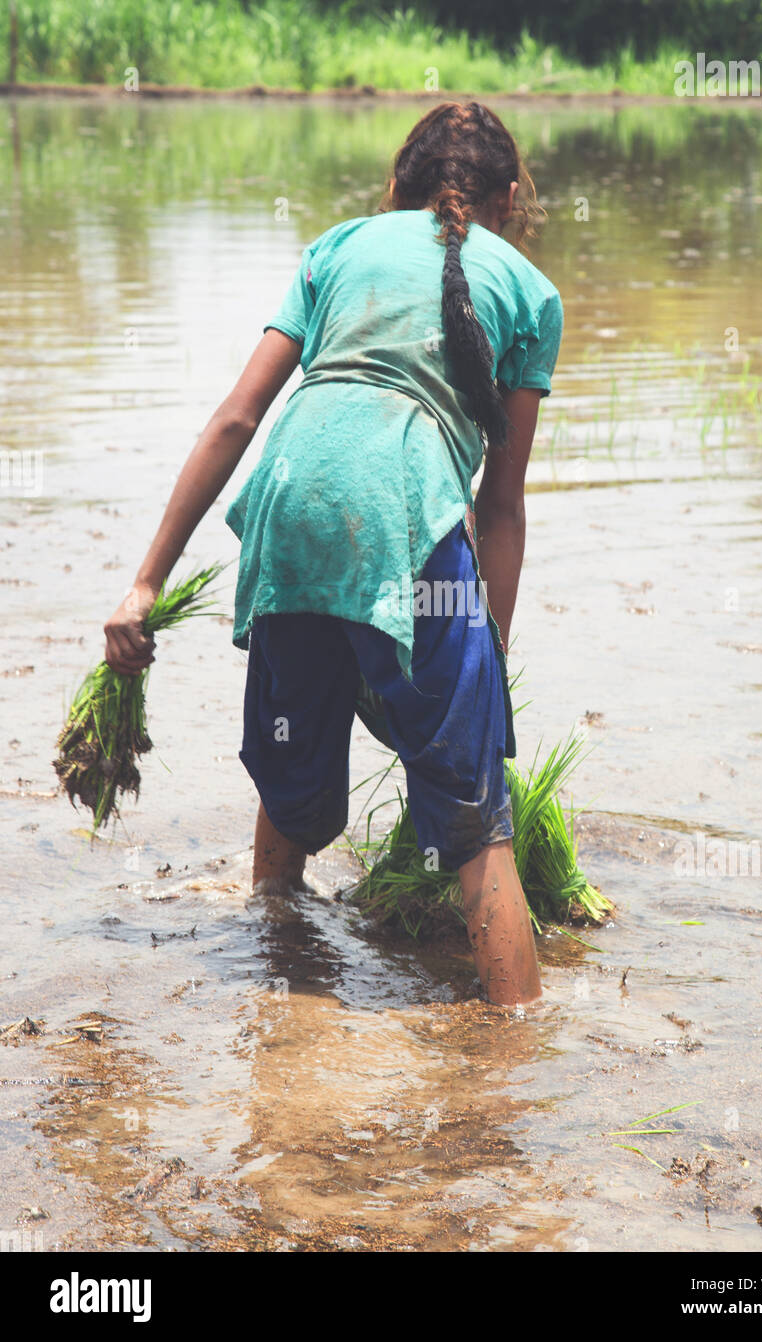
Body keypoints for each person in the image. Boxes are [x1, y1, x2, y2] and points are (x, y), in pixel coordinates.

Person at [103, 101, 564, 1008]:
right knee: (476, 829)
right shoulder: (531, 293)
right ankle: (518, 1058)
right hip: (402, 506)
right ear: (510, 199)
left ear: (397, 182)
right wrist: (487, 665)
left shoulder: (339, 246)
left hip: (289, 500)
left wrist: (144, 581)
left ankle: (280, 952)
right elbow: (498, 507)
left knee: (292, 758)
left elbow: (237, 418)